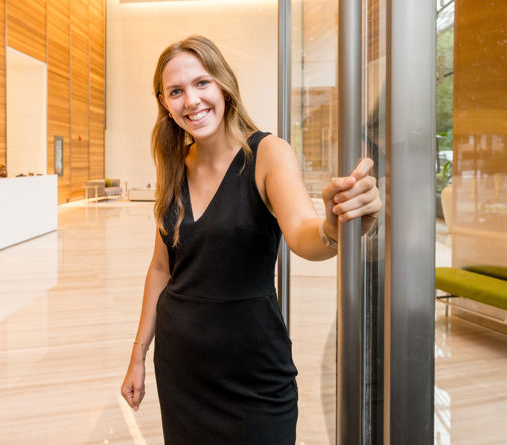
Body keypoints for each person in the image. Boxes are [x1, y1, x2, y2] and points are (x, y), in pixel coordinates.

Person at [120, 35, 382, 444]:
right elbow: (160, 269)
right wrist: (138, 356)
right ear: (164, 103)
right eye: (176, 91)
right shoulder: (174, 165)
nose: (191, 100)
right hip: (182, 371)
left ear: (224, 84)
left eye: (202, 83)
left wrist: (334, 228)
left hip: (254, 375)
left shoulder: (268, 153)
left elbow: (303, 234)